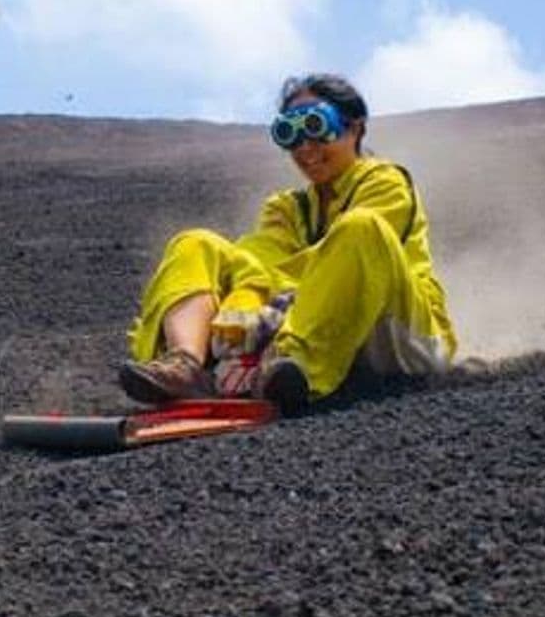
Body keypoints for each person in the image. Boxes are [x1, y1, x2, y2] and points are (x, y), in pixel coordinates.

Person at [118, 73, 457, 416]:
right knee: (195, 243)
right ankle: (185, 363)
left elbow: (334, 261)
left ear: (354, 128)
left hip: (398, 338)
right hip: (310, 332)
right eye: (290, 135)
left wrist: (256, 295)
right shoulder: (287, 207)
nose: (305, 147)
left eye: (316, 126)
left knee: (361, 228)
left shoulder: (386, 183)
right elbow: (259, 257)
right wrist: (245, 293)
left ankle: (290, 365)